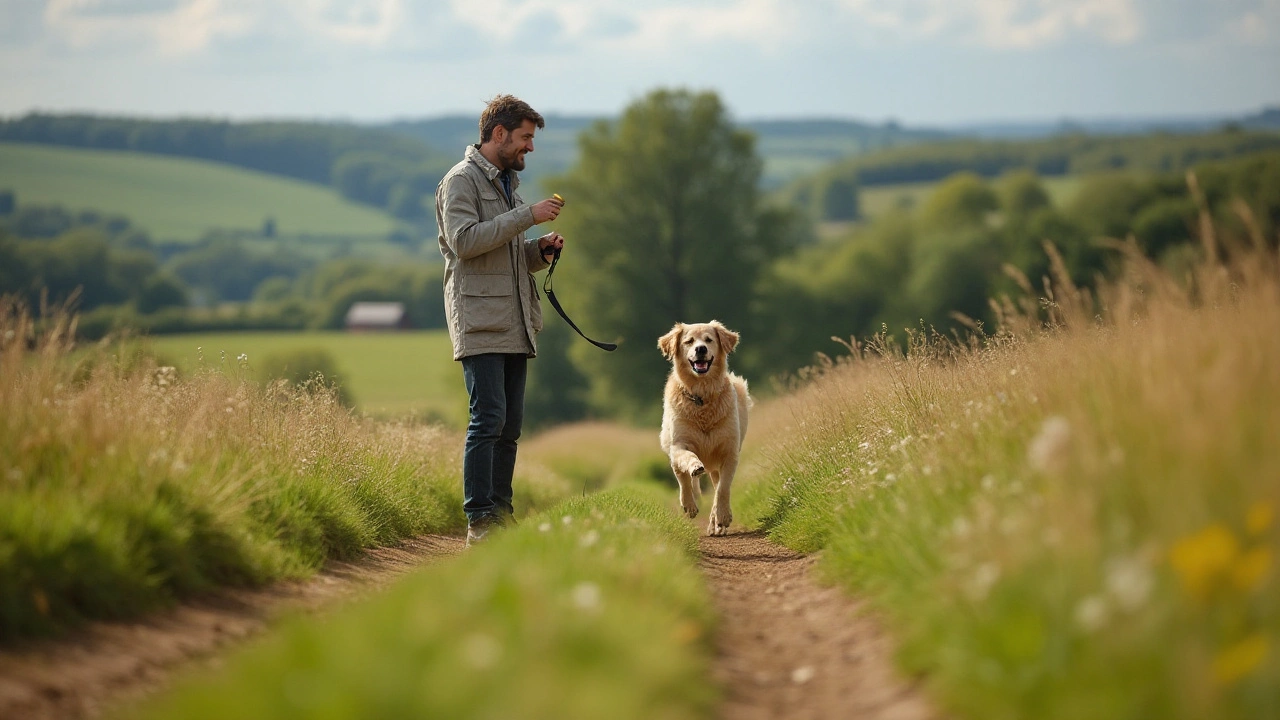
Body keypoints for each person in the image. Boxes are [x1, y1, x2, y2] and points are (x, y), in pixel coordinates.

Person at [435, 94, 565, 547]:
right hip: (479, 321)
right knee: (486, 420)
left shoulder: (506, 182)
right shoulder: (460, 182)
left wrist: (537, 251)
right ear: (498, 134)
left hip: (513, 322)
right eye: (525, 138)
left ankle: (502, 515)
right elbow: (465, 242)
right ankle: (479, 521)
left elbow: (504, 254)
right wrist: (526, 216)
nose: (530, 147)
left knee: (509, 426)